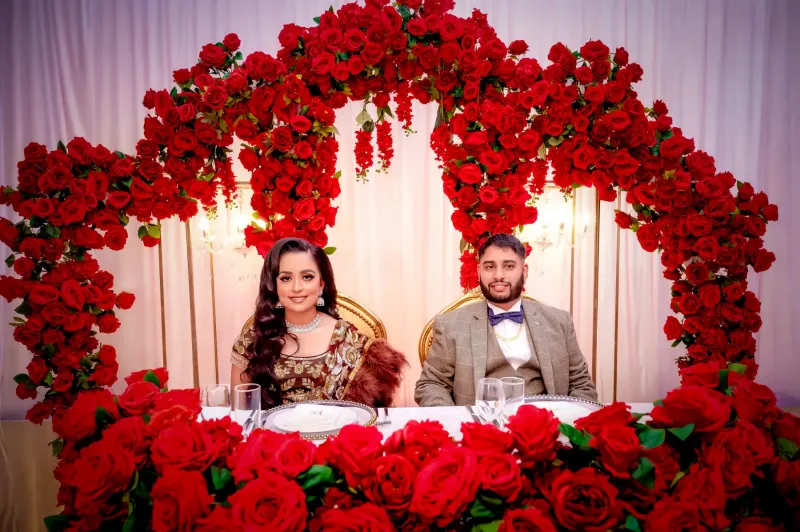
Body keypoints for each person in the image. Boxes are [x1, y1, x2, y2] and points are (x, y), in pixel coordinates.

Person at [415, 233, 597, 407]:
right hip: (480, 430)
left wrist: (568, 422)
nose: (498, 275)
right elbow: (431, 385)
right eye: (489, 266)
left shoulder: (559, 321)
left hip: (547, 428)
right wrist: (458, 422)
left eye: (509, 266)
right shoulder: (450, 326)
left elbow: (580, 383)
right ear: (479, 271)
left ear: (524, 271)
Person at [230, 237, 406, 409]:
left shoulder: (349, 340)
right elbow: (240, 415)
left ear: (321, 284)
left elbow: (379, 413)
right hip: (271, 437)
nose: (297, 287)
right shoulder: (254, 339)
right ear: (273, 286)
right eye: (285, 278)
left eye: (307, 277)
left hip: (335, 436)